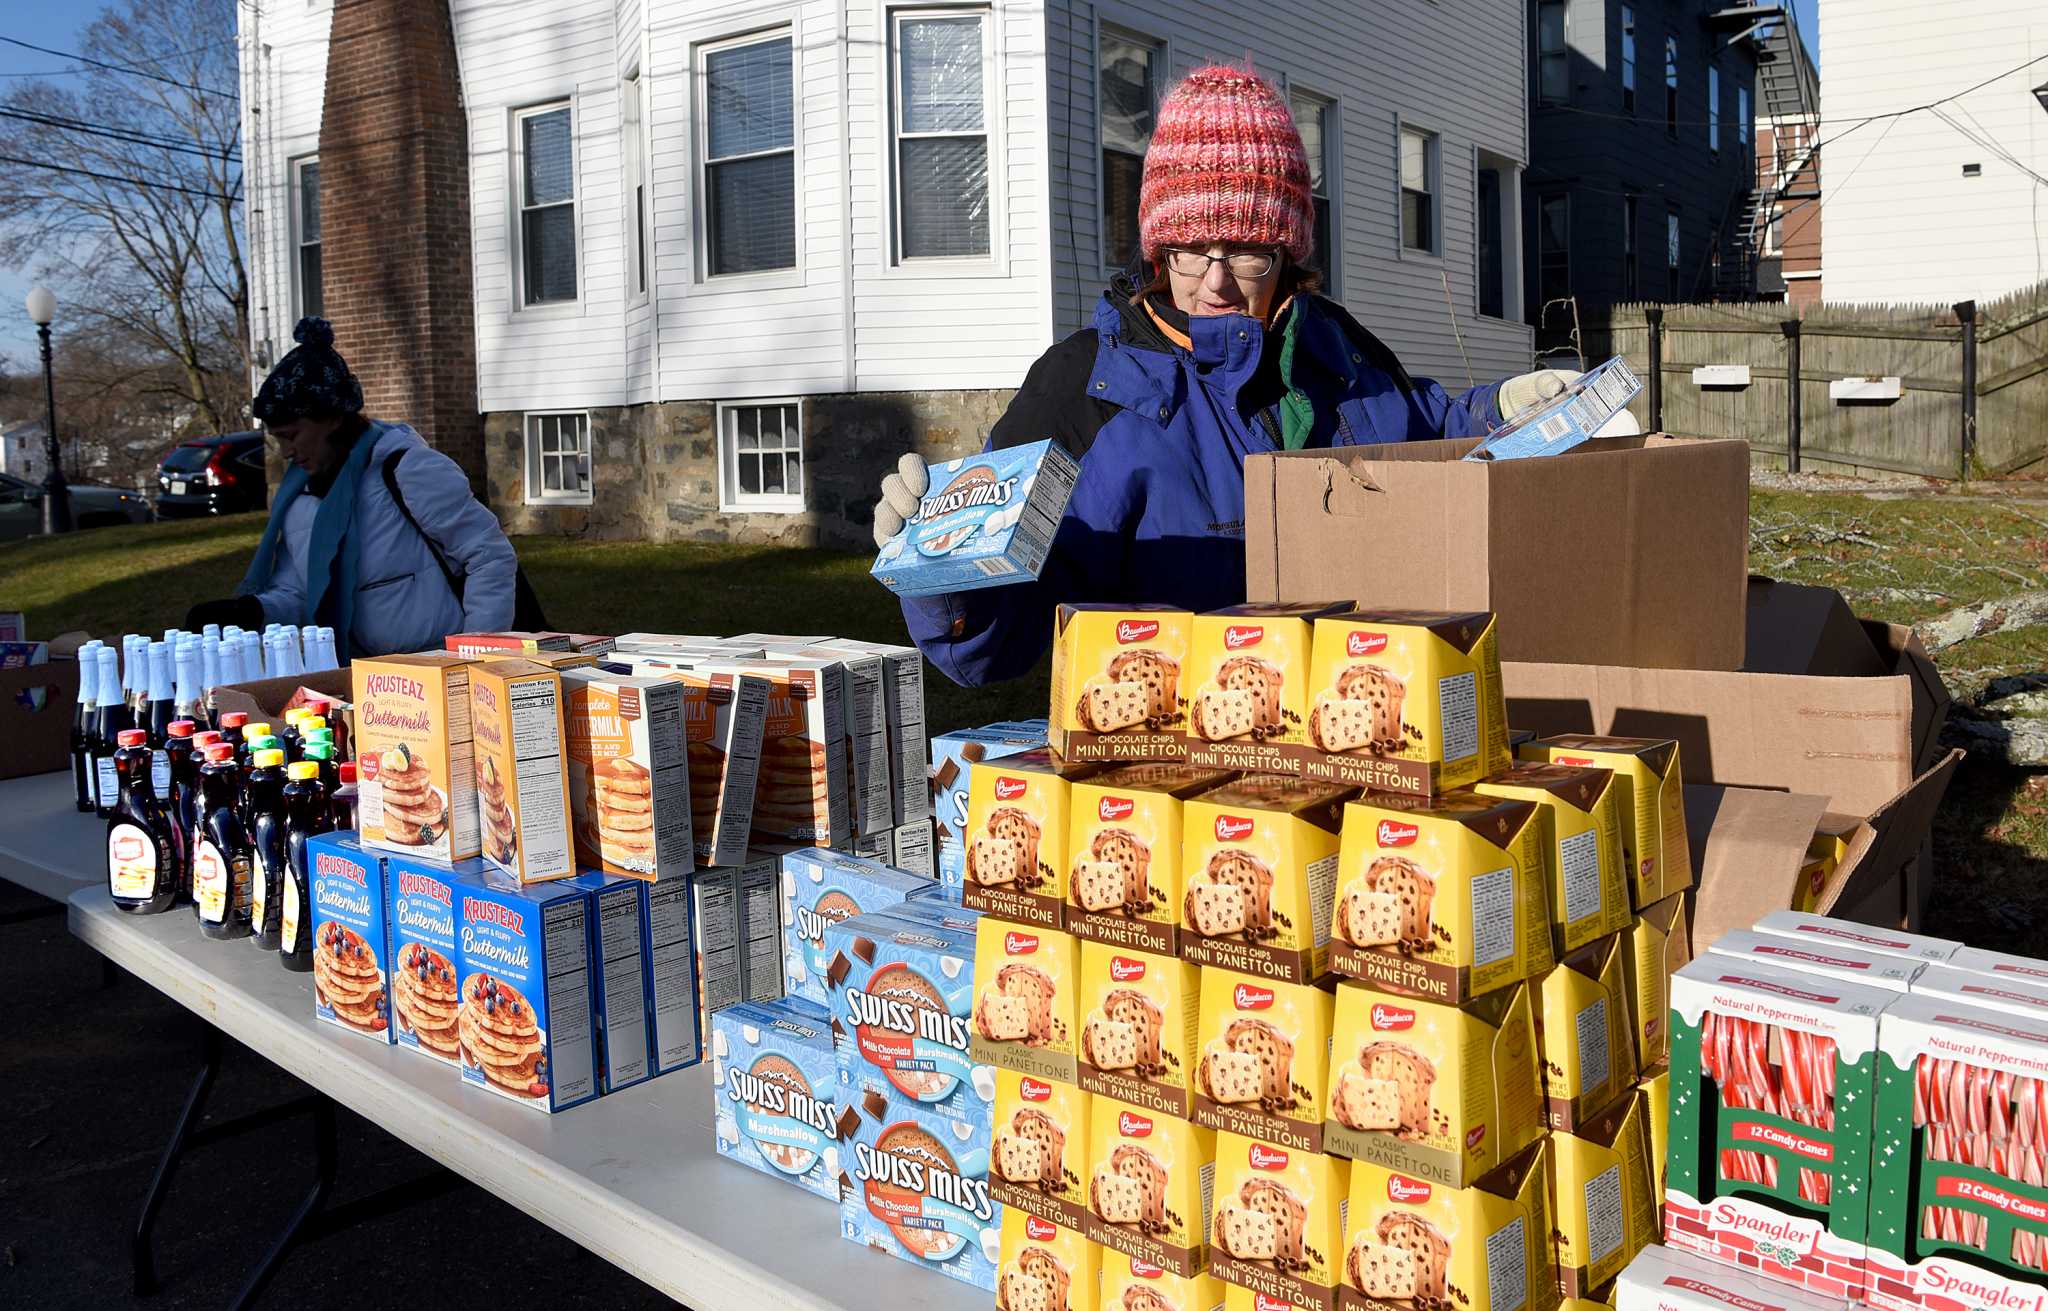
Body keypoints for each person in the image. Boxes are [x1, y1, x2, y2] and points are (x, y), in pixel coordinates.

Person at [875, 65, 1628, 689]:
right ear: (1155, 249)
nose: (1215, 282)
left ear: (1287, 251)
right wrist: (937, 569)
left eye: (1245, 251)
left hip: (1363, 739)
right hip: (1172, 786)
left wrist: (1504, 405)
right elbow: (988, 650)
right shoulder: (1083, 390)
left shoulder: (1333, 347)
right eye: (1189, 248)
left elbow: (1428, 433)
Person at [185, 317, 518, 656]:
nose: (285, 451)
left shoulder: (407, 470)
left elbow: (489, 556)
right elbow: (302, 594)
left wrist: (475, 657)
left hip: (438, 668)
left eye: (291, 435)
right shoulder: (301, 499)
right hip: (361, 678)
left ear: (333, 418)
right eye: (276, 438)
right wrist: (253, 612)